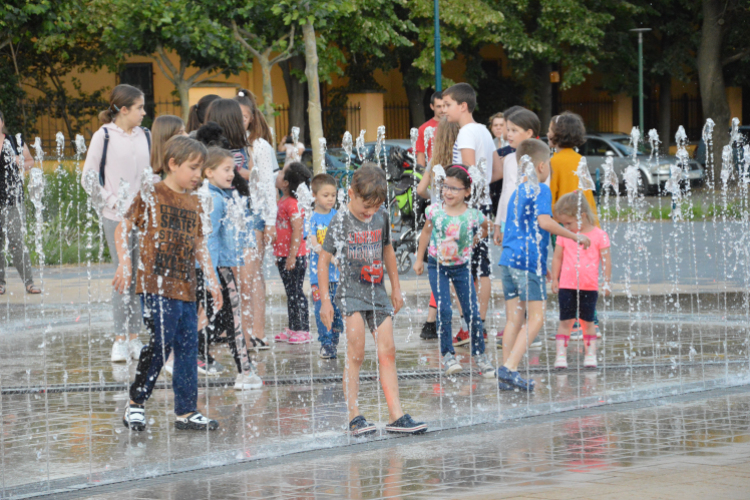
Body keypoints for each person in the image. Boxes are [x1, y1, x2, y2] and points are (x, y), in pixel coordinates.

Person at [118, 135, 222, 432]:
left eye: (201, 169)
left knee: (188, 346)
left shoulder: (196, 201)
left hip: (186, 287)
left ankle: (187, 411)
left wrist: (212, 283)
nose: (197, 175)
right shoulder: (153, 193)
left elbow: (200, 244)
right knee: (159, 342)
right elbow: (123, 229)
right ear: (172, 164)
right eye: (192, 168)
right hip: (155, 285)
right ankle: (136, 403)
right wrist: (126, 264)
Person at [318, 165, 426, 436]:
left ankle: (396, 415)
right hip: (351, 292)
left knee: (388, 350)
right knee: (356, 352)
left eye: (375, 207)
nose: (370, 213)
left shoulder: (381, 217)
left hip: (377, 292)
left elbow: (387, 249)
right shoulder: (340, 220)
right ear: (351, 194)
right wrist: (325, 301)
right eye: (365, 206)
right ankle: (354, 415)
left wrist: (396, 288)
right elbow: (323, 259)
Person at [496, 139, 591, 392]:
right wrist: (575, 236)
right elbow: (544, 222)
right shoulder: (541, 189)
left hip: (508, 261)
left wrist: (543, 264)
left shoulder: (518, 191)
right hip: (526, 263)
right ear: (540, 166)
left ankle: (506, 372)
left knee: (514, 319)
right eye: (548, 163)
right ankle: (510, 368)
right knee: (536, 318)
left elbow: (519, 229)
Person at [83, 84, 151, 363]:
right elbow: (88, 178)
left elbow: (149, 175)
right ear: (123, 110)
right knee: (122, 275)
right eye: (139, 108)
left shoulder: (145, 135)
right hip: (115, 217)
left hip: (143, 218)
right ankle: (119, 340)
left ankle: (135, 338)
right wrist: (113, 202)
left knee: (137, 278)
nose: (144, 112)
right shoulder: (103, 136)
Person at [413, 165, 495, 378]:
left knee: (472, 313)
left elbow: (488, 227)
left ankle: (480, 355)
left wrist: (478, 239)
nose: (447, 192)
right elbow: (425, 233)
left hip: (461, 268)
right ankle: (448, 354)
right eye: (445, 187)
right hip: (437, 266)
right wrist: (419, 259)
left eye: (454, 189)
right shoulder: (435, 212)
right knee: (444, 310)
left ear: (467, 191)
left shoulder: (474, 215)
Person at [198, 147, 262, 389]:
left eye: (233, 169)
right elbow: (209, 239)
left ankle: (189, 355)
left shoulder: (221, 195)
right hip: (217, 270)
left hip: (214, 269)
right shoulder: (215, 199)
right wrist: (211, 276)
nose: (232, 174)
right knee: (233, 318)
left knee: (214, 317)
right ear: (209, 172)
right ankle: (244, 371)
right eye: (226, 170)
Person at [442, 82, 497, 341]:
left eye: (449, 104)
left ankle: (468, 327)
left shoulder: (465, 133)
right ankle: (479, 324)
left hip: (468, 207)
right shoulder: (485, 131)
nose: (444, 110)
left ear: (463, 106)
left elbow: (468, 172)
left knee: (459, 266)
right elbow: (495, 171)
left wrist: (460, 200)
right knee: (481, 266)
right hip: (482, 203)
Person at [231, 92, 279, 350]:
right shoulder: (224, 143)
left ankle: (255, 333)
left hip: (255, 214)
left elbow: (268, 186)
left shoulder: (259, 146)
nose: (241, 122)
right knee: (240, 277)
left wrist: (270, 221)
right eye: (236, 117)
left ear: (252, 119)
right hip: (231, 215)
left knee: (251, 276)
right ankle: (245, 332)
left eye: (245, 117)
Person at [550, 191, 611, 369]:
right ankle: (561, 355)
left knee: (588, 322)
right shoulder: (564, 234)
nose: (566, 227)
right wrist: (555, 278)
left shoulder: (600, 235)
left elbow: (606, 260)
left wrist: (606, 281)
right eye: (563, 224)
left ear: (582, 216)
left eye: (568, 223)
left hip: (589, 286)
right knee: (565, 321)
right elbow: (557, 258)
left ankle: (590, 354)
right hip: (567, 285)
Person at [416, 119, 460, 341]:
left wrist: (433, 199)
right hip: (457, 221)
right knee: (459, 274)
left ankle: (432, 323)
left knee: (441, 273)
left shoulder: (435, 161)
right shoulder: (460, 160)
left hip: (437, 221)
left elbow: (420, 189)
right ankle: (467, 323)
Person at [0, 109, 38, 296]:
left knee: (16, 242)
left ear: (2, 122)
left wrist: (19, 160)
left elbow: (30, 161)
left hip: (13, 201)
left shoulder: (15, 142)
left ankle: (29, 283)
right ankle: (0, 283)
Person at [273, 162, 312, 343]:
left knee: (296, 292)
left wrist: (291, 256)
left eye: (281, 172)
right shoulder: (283, 201)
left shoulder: (292, 204)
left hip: (295, 256)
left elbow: (298, 230)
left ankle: (303, 329)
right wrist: (279, 255)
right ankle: (293, 327)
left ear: (287, 183)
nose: (277, 174)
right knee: (291, 292)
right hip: (285, 256)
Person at [493, 108, 542, 246]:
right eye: (508, 130)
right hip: (506, 220)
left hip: (529, 220)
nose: (509, 134)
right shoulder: (509, 159)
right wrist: (498, 224)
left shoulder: (539, 160)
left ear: (529, 133)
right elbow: (505, 192)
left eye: (514, 131)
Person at [307, 173, 343, 359]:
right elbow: (314, 243)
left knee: (337, 310)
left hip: (336, 275)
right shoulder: (312, 219)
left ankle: (334, 338)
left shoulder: (337, 216)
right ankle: (326, 343)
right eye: (325, 195)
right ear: (314, 196)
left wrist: (339, 257)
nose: (330, 199)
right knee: (322, 306)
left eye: (333, 195)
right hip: (318, 275)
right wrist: (329, 255)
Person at [415, 91, 444, 167]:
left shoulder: (455, 125)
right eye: (438, 106)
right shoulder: (424, 129)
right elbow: (421, 156)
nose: (442, 110)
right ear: (432, 106)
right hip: (432, 172)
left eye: (444, 106)